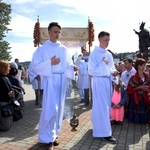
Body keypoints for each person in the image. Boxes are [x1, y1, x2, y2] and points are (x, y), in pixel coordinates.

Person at [30, 22, 78, 150]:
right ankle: (46, 138)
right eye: (55, 31)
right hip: (50, 79)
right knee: (50, 108)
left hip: (61, 80)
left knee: (59, 109)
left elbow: (68, 63)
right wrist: (49, 62)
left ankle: (54, 134)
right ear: (49, 32)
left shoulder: (63, 49)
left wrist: (73, 67)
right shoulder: (42, 49)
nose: (57, 34)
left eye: (59, 32)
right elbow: (35, 66)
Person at [88, 31, 118, 144]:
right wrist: (103, 64)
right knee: (102, 107)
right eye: (106, 40)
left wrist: (114, 74)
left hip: (107, 82)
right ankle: (105, 133)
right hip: (98, 81)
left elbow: (111, 68)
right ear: (100, 40)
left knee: (105, 106)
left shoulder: (109, 54)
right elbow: (91, 70)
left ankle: (98, 129)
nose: (107, 42)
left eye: (109, 40)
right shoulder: (94, 54)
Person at [126, 58, 150, 123]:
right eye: (142, 65)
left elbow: (149, 85)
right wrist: (139, 87)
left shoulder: (147, 76)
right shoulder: (133, 77)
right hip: (135, 97)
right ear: (138, 66)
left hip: (145, 95)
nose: (144, 67)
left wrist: (147, 88)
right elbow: (129, 89)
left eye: (144, 65)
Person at [0, 60, 14, 131]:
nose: (9, 68)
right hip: (2, 102)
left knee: (8, 124)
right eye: (8, 67)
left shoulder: (5, 77)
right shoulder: (1, 78)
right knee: (6, 126)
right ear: (3, 68)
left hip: (7, 101)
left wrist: (11, 92)